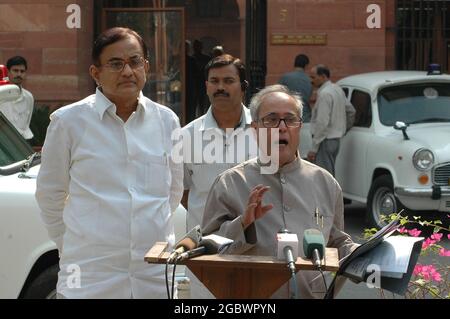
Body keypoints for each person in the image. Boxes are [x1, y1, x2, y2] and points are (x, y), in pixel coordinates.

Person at [35, 27, 183, 299]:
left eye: (135, 62)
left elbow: (171, 194)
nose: (127, 71)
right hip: (90, 278)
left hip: (153, 276)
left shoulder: (167, 121)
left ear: (146, 67)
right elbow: (50, 194)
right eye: (116, 64)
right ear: (95, 73)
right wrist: (74, 246)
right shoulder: (69, 122)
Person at [201, 84, 356, 299]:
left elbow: (337, 242)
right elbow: (206, 250)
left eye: (290, 120)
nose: (281, 127)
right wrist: (243, 224)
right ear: (254, 129)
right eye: (271, 120)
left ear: (300, 127)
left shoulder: (325, 183)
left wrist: (369, 254)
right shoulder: (231, 183)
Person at [181, 54, 257, 298]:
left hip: (255, 247)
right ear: (206, 86)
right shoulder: (187, 136)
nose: (220, 87)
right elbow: (180, 192)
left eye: (228, 81)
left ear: (243, 87)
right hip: (204, 248)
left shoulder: (264, 133)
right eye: (214, 81)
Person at [307, 65, 355, 176]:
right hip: (335, 139)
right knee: (329, 173)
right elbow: (351, 111)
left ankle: (329, 194)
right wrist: (343, 129)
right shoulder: (337, 89)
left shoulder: (325, 94)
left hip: (325, 139)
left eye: (313, 77)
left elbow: (322, 123)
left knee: (325, 175)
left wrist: (314, 148)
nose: (311, 81)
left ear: (323, 76)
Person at [0, 56, 34, 140]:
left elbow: (26, 124)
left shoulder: (28, 97)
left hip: (20, 144)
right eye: (15, 71)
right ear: (8, 72)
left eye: (22, 71)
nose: (19, 74)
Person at [278, 54, 313, 122]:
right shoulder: (310, 79)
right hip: (305, 116)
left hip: (288, 114)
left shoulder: (285, 78)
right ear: (306, 65)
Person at [192, 39, 211, 116]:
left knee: (204, 105)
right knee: (194, 105)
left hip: (204, 85)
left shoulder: (207, 58)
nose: (197, 48)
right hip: (193, 86)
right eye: (195, 46)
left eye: (198, 46)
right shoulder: (191, 59)